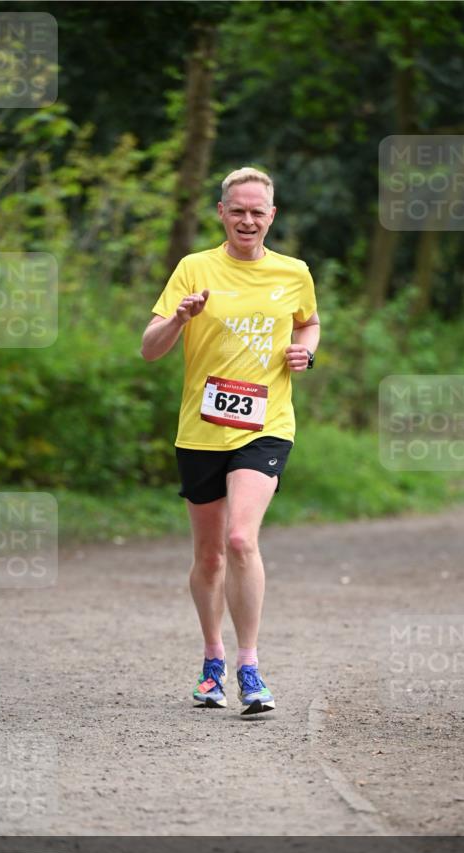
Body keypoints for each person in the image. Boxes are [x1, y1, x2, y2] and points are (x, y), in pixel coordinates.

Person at [141, 167, 320, 714]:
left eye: (257, 211)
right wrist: (177, 318)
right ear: (222, 212)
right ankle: (212, 660)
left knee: (242, 539)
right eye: (237, 210)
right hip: (201, 429)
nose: (247, 219)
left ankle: (250, 667)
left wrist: (305, 352)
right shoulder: (195, 268)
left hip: (266, 427)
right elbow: (150, 348)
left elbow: (308, 324)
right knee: (211, 554)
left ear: (272, 216)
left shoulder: (294, 273)